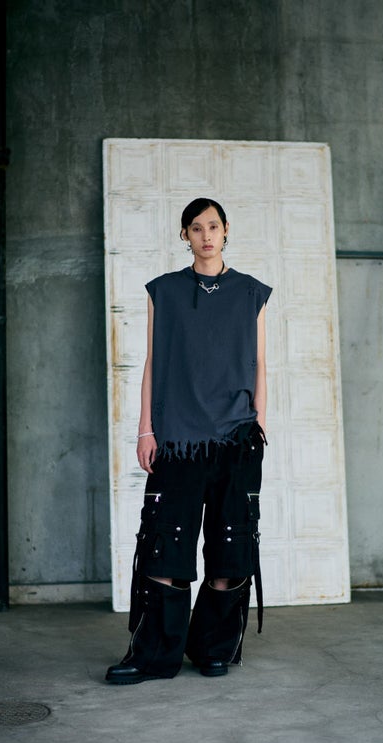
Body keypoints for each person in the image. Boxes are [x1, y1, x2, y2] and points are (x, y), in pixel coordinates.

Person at [105, 197, 272, 685]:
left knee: (231, 550)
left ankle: (212, 648)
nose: (206, 235)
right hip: (177, 442)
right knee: (165, 549)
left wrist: (259, 426)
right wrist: (145, 429)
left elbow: (260, 364)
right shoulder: (164, 291)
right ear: (185, 235)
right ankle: (155, 656)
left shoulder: (251, 293)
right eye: (196, 228)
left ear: (226, 231)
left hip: (235, 439)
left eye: (213, 227)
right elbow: (153, 362)